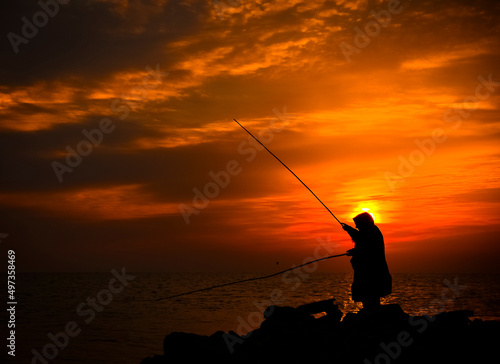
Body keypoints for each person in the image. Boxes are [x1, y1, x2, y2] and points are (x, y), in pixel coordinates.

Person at [342, 212, 392, 310]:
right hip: (372, 274)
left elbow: (367, 247)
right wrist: (348, 229)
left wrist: (355, 251)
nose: (356, 227)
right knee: (370, 301)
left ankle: (371, 319)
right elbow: (362, 240)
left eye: (358, 225)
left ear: (363, 223)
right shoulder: (372, 231)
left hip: (372, 274)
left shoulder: (372, 232)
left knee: (371, 300)